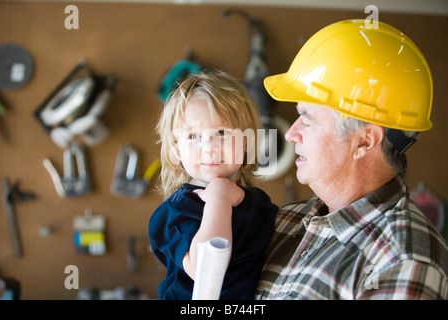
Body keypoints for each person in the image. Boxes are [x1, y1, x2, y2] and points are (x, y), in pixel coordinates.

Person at [255, 19, 447, 300]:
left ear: (365, 141)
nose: (291, 133)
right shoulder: (285, 222)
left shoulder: (401, 261)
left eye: (306, 119)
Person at [149, 70, 278, 300]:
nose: (208, 146)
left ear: (246, 140)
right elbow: (203, 270)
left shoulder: (259, 203)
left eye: (221, 132)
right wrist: (218, 199)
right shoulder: (176, 212)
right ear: (177, 150)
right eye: (193, 136)